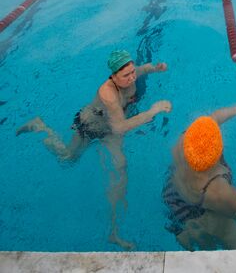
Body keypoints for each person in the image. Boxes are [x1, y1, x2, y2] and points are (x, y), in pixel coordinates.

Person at [16, 49, 172, 249]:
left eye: (132, 72)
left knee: (121, 165)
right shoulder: (107, 94)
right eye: (126, 75)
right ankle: (41, 127)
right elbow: (120, 127)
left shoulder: (131, 75)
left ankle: (114, 232)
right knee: (67, 158)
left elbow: (143, 69)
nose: (132, 77)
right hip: (92, 125)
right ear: (113, 76)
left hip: (111, 126)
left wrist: (156, 68)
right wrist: (153, 111)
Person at [163, 97, 236, 250]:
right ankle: (192, 234)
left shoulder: (187, 138)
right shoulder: (215, 189)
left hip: (171, 193)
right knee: (235, 235)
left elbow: (215, 118)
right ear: (217, 153)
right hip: (194, 213)